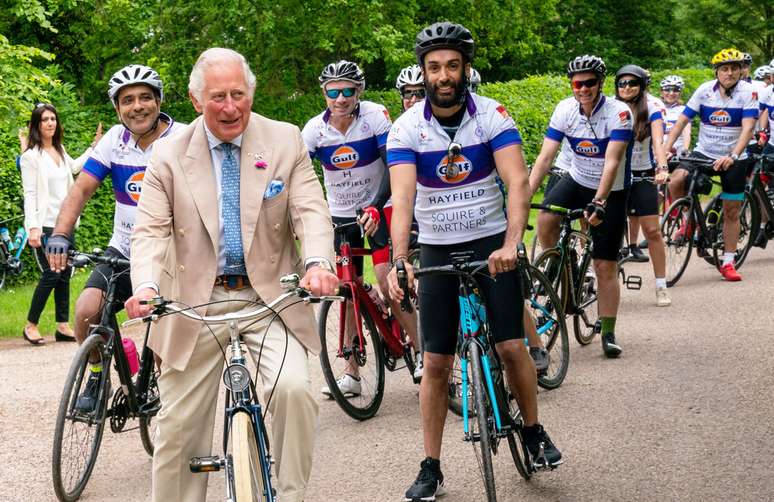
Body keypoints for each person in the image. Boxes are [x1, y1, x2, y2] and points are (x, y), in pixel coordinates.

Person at [124, 47, 338, 502]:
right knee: (178, 428)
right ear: (195, 100)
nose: (230, 107)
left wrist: (319, 264)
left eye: (238, 94)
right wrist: (144, 286)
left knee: (295, 390)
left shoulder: (283, 140)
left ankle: (291, 493)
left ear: (251, 93)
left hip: (270, 301)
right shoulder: (167, 155)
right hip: (192, 305)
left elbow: (311, 213)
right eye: (218, 96)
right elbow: (149, 232)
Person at [387, 22, 562, 501]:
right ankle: (431, 466)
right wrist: (399, 259)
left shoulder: (492, 116)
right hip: (438, 248)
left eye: (452, 66)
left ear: (465, 69)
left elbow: (517, 182)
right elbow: (401, 200)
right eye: (434, 67)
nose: (443, 75)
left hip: (492, 246)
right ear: (424, 73)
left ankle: (532, 429)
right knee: (436, 362)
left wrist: (511, 243)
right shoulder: (406, 128)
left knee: (510, 347)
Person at [45, 64, 184, 409]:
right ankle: (97, 375)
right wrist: (60, 235)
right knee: (86, 312)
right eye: (127, 100)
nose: (136, 106)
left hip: (172, 255)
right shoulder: (113, 141)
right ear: (117, 108)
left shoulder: (183, 138)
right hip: (123, 249)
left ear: (158, 101)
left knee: (166, 339)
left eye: (144, 98)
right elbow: (80, 191)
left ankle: (170, 416)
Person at [302, 60, 422, 386]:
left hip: (380, 207)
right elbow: (298, 173)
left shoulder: (374, 117)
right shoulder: (315, 130)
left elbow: (392, 167)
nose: (340, 98)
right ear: (324, 92)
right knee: (346, 289)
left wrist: (374, 206)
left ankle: (423, 351)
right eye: (333, 91)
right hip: (342, 214)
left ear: (359, 92)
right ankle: (351, 370)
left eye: (348, 91)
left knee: (388, 280)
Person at [528, 54, 633, 358]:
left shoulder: (619, 113)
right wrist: (523, 197)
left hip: (610, 189)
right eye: (578, 83)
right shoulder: (565, 109)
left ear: (600, 84)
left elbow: (612, 162)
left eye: (589, 83)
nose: (583, 88)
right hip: (576, 178)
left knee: (604, 263)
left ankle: (609, 330)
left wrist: (600, 202)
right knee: (547, 217)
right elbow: (545, 158)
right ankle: (556, 263)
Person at [664, 48, 758, 281]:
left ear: (740, 70)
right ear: (717, 72)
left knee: (731, 211)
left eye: (734, 68)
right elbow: (682, 120)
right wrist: (666, 148)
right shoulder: (704, 90)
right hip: (704, 152)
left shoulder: (749, 92)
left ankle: (727, 261)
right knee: (676, 180)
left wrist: (734, 156)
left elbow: (748, 128)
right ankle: (688, 222)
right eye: (724, 69)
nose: (730, 73)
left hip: (733, 156)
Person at [19, 104, 101, 345]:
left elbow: (75, 168)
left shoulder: (60, 150)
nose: (50, 123)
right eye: (44, 119)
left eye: (53, 119)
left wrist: (93, 148)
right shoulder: (30, 157)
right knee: (50, 274)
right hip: (44, 226)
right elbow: (30, 194)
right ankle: (31, 325)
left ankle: (62, 326)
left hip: (65, 224)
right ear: (36, 124)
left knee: (65, 274)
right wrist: (32, 227)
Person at [614, 65, 671, 306]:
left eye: (632, 83)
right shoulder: (610, 107)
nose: (626, 88)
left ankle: (661, 285)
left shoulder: (653, 107)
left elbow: (658, 142)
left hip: (644, 174)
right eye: (622, 83)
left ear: (642, 86)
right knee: (609, 231)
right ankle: (603, 281)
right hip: (616, 176)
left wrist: (662, 168)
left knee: (653, 231)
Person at [660, 75, 692, 155]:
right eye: (667, 89)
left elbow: (686, 132)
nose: (671, 93)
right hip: (659, 152)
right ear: (661, 92)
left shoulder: (684, 110)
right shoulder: (656, 108)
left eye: (675, 90)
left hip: (678, 153)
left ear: (680, 93)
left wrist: (685, 149)